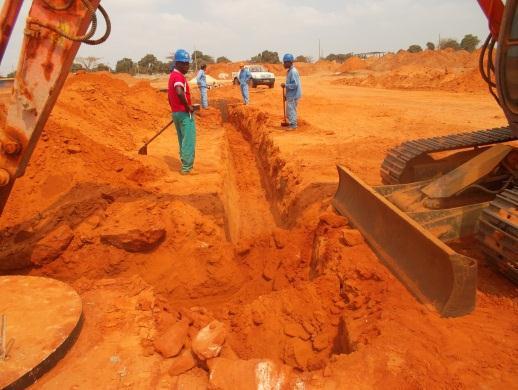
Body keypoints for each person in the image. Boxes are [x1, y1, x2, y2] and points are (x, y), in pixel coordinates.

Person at [168, 49, 196, 175]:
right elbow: (179, 91)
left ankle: (185, 164)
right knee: (188, 140)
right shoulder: (178, 76)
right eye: (184, 64)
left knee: (182, 140)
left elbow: (171, 96)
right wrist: (187, 106)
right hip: (184, 114)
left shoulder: (172, 76)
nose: (187, 66)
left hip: (176, 113)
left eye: (187, 63)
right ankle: (186, 168)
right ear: (177, 64)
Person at [281, 53, 302, 129]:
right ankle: (291, 123)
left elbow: (295, 85)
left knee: (291, 110)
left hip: (293, 96)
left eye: (285, 62)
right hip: (291, 95)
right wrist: (286, 96)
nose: (284, 64)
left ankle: (293, 125)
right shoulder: (290, 71)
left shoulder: (293, 72)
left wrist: (285, 85)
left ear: (289, 62)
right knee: (289, 110)